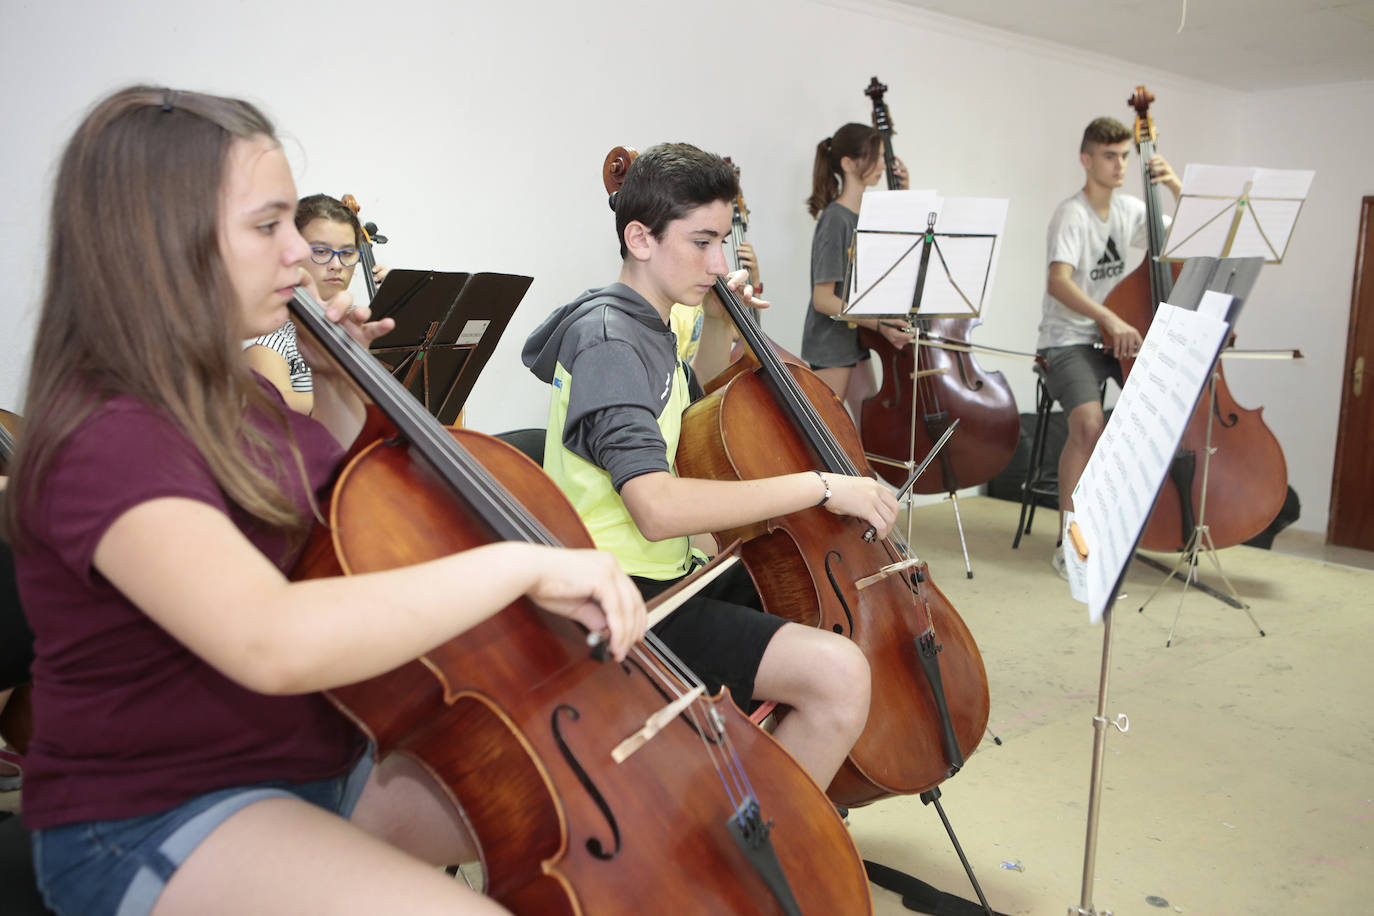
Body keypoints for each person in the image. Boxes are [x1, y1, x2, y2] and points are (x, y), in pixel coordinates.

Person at [0, 85, 646, 916]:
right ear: (163, 241)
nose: (301, 259)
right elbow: (272, 639)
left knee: (579, 798)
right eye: (268, 228)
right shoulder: (111, 434)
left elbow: (337, 509)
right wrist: (519, 565)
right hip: (157, 814)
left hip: (318, 763)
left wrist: (343, 384)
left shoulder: (235, 388)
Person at [523, 142, 901, 788]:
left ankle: (727, 790)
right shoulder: (610, 341)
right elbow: (655, 506)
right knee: (839, 676)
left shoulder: (673, 313)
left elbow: (694, 396)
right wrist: (816, 486)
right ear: (639, 238)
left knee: (810, 602)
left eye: (723, 240)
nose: (720, 262)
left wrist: (727, 320)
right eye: (702, 242)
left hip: (675, 572)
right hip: (620, 594)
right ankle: (755, 855)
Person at [1037, 116, 1180, 576]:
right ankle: (1070, 542)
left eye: (1125, 156)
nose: (1121, 165)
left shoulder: (1134, 211)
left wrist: (1175, 185)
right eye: (1110, 156)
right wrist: (1107, 315)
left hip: (1121, 338)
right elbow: (1058, 283)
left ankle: (1130, 526)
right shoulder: (1072, 214)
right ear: (1087, 160)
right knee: (1088, 425)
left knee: (1163, 415)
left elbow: (1184, 241)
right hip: (1069, 339)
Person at [801, 122, 915, 420]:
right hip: (833, 345)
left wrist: (904, 195)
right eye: (875, 158)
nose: (883, 164)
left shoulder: (868, 215)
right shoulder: (835, 219)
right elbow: (823, 299)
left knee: (871, 438)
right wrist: (879, 323)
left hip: (858, 340)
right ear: (848, 164)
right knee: (830, 441)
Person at [243, 193, 387, 414]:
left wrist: (396, 304)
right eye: (321, 251)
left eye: (347, 253)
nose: (337, 264)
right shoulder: (271, 333)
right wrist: (353, 395)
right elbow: (275, 405)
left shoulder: (358, 326)